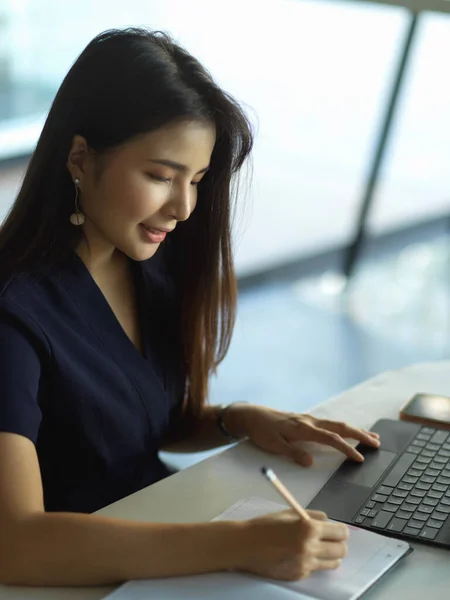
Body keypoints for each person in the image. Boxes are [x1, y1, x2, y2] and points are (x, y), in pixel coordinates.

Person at [0, 27, 380, 587]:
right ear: (80, 157)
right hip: (80, 577)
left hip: (160, 539)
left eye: (197, 180)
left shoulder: (145, 267)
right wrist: (237, 545)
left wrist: (236, 419)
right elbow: (16, 543)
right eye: (160, 176)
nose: (182, 207)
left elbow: (125, 426)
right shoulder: (14, 313)